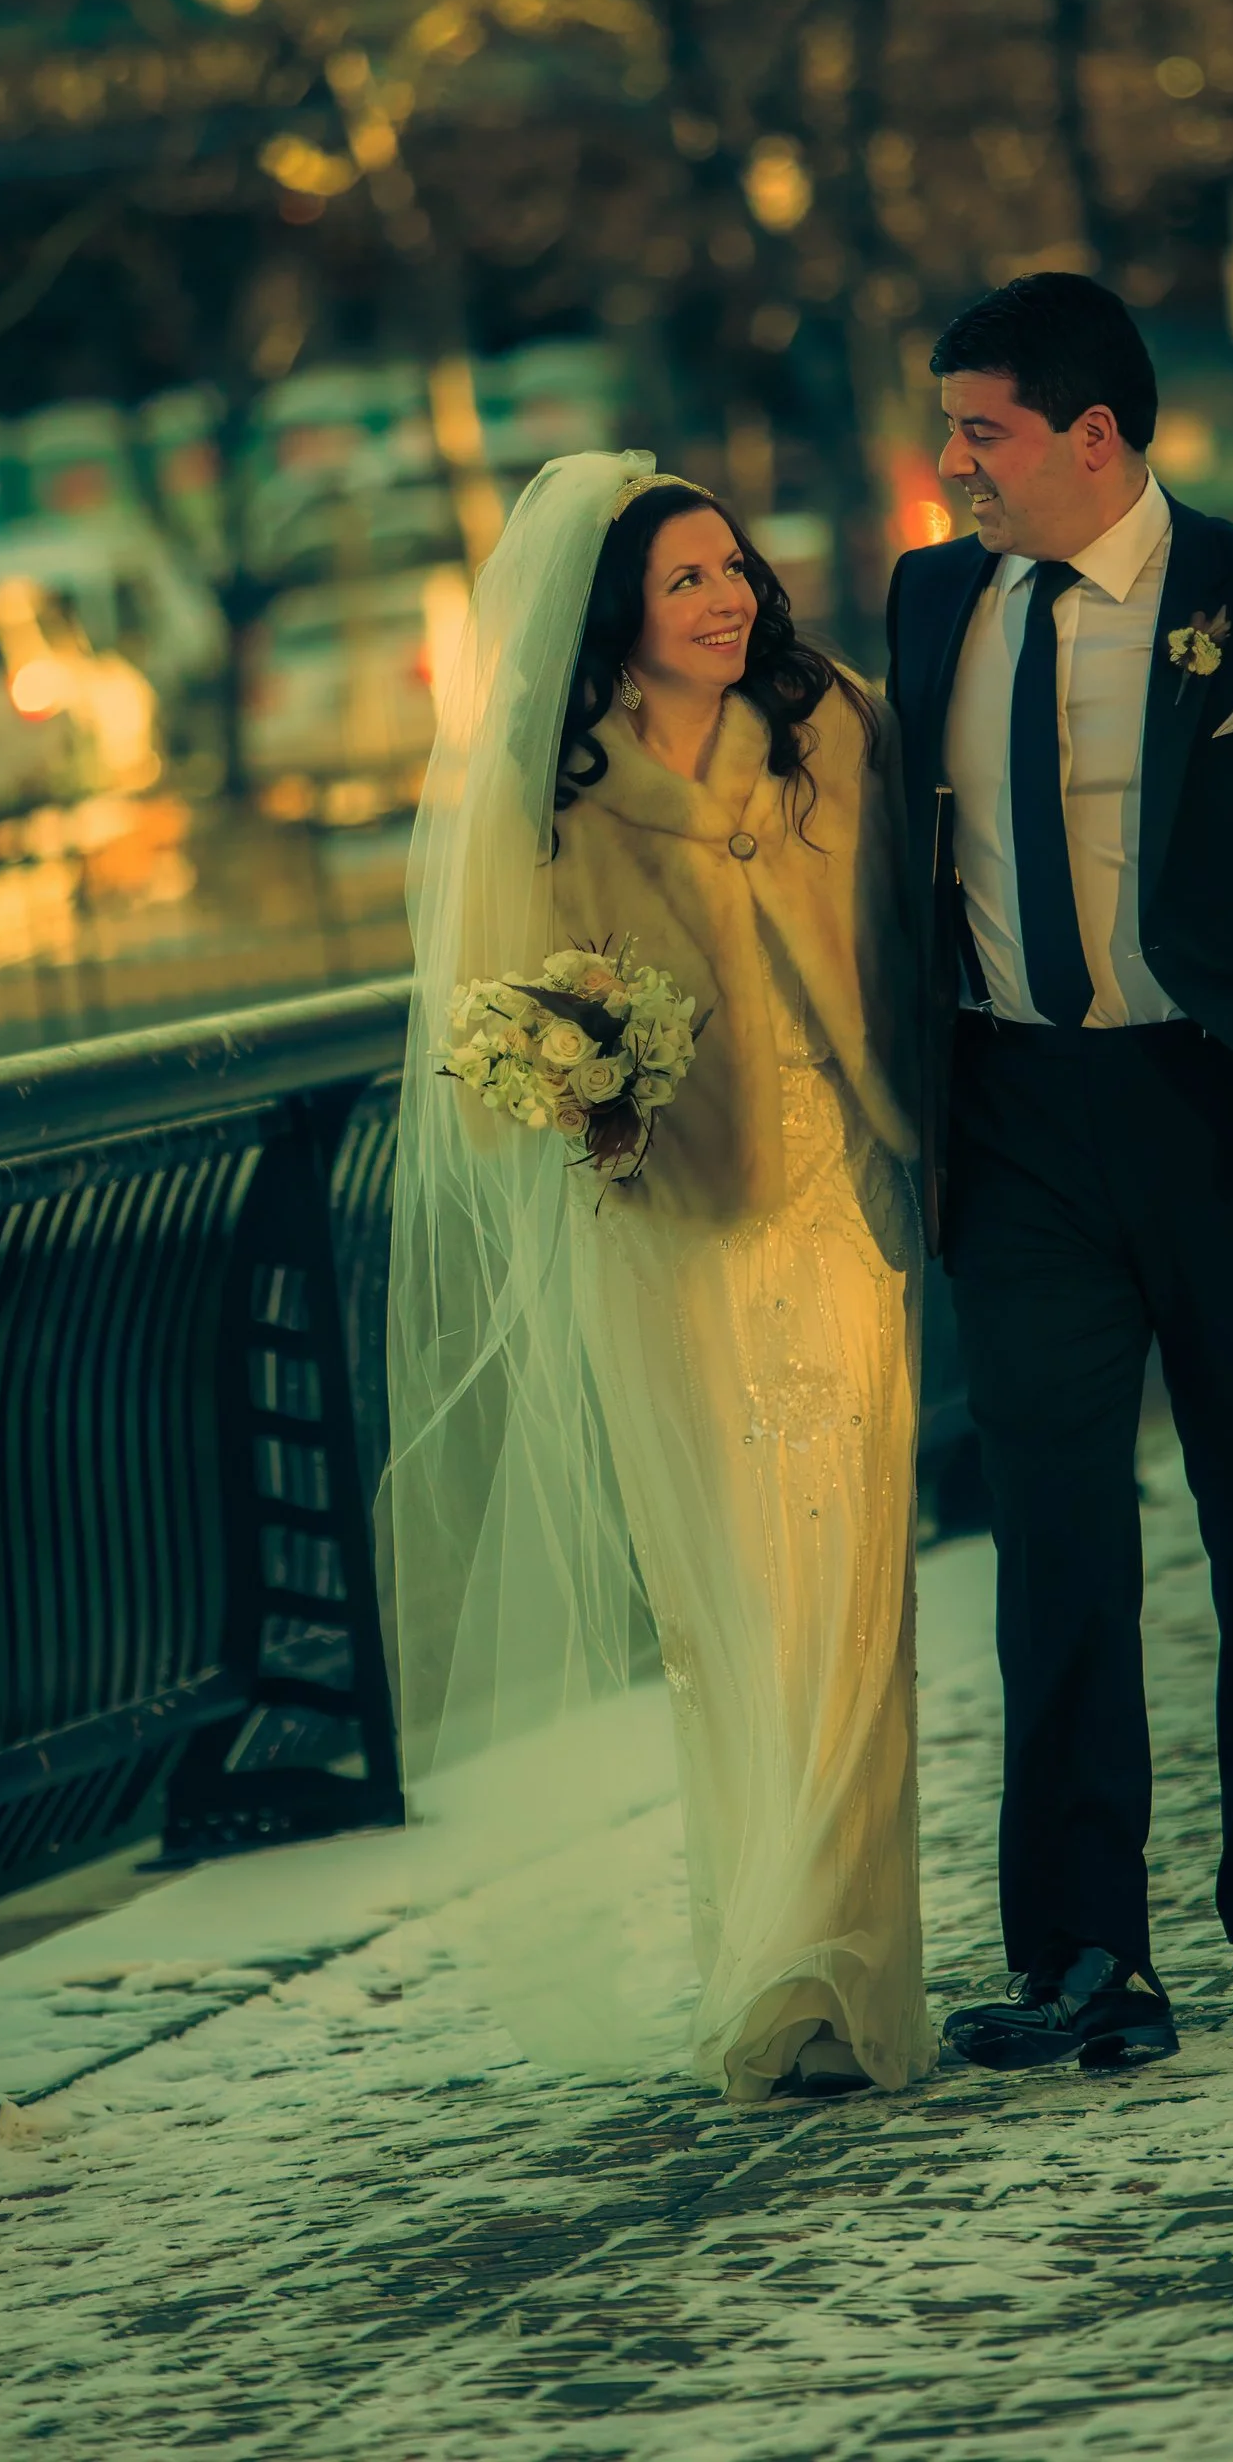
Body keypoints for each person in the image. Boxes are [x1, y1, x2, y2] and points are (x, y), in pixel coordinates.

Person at [886, 274, 1233, 2069]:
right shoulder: (930, 605)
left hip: (1228, 1120)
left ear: (1094, 435)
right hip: (1020, 1133)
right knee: (1053, 1537)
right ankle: (1082, 1956)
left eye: (980, 430)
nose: (954, 465)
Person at [384, 450, 935, 2105]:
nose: (726, 601)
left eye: (734, 570)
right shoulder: (549, 785)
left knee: (856, 1603)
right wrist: (576, 1078)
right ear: (616, 609)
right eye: (685, 579)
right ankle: (761, 1957)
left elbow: (925, 934)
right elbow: (486, 1032)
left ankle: (838, 1974)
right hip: (672, 1232)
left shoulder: (836, 725)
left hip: (843, 1201)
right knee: (732, 1611)